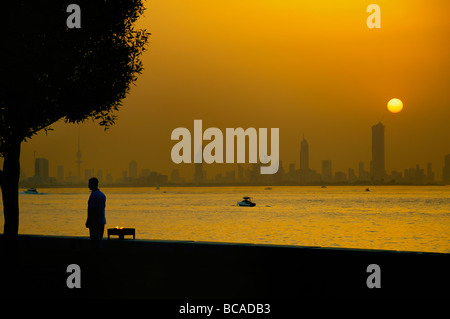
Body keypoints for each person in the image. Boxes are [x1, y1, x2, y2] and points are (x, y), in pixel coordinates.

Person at [85, 177, 106, 249]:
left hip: (94, 222)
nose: (88, 185)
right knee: (100, 240)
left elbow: (91, 210)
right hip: (102, 221)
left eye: (89, 184)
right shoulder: (102, 195)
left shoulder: (93, 195)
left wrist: (88, 221)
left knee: (94, 241)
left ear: (92, 184)